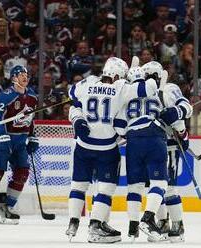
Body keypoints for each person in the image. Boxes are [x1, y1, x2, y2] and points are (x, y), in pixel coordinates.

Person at [66, 57, 158, 243]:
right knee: (105, 189)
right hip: (106, 147)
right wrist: (142, 76)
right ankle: (95, 225)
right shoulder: (121, 87)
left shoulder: (88, 82)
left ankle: (73, 222)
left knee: (79, 185)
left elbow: (72, 95)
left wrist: (77, 119)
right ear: (116, 75)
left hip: (83, 145)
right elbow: (148, 89)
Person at [121, 61, 192, 242]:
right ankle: (162, 223)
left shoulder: (169, 89)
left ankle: (177, 225)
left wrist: (176, 113)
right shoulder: (141, 92)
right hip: (154, 141)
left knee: (169, 187)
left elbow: (186, 107)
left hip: (169, 143)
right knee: (154, 185)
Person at [0, 65, 39, 224]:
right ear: (13, 78)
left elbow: (30, 119)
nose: (25, 77)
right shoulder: (5, 96)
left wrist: (32, 137)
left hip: (20, 140)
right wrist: (3, 137)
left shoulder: (32, 96)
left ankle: (8, 208)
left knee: (22, 172)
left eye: (26, 74)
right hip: (1, 139)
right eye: (21, 74)